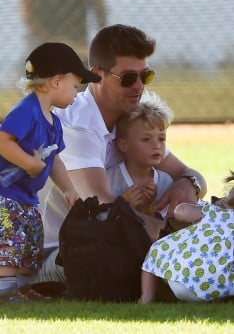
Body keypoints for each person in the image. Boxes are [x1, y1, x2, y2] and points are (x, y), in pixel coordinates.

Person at [32, 24, 207, 285]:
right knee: (119, 243)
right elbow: (104, 210)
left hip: (99, 240)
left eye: (145, 76)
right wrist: (177, 235)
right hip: (56, 254)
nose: (139, 86)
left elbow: (191, 175)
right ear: (96, 75)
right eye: (127, 78)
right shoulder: (77, 126)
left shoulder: (130, 122)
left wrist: (186, 184)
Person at [0, 42, 101, 301]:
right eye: (75, 86)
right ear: (57, 82)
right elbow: (3, 140)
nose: (77, 94)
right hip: (7, 198)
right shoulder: (28, 110)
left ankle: (20, 291)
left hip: (26, 199)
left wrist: (68, 188)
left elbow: (54, 158)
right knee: (8, 248)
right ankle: (5, 292)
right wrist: (29, 163)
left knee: (27, 248)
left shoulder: (53, 121)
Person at [139, 171, 234, 304]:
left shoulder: (213, 211)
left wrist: (200, 208)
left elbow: (181, 212)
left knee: (156, 249)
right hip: (220, 287)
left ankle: (146, 297)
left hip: (183, 280)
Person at [107, 91, 174, 241]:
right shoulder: (109, 179)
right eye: (146, 139)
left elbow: (167, 231)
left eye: (161, 139)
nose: (156, 145)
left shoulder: (166, 182)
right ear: (124, 145)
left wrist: (149, 209)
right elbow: (102, 224)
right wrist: (122, 205)